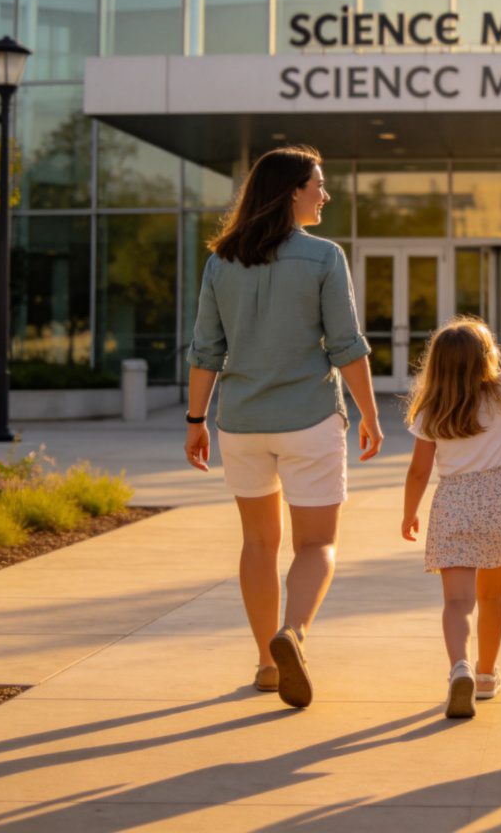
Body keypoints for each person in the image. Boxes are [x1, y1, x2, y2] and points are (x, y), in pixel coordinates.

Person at [184, 145, 383, 710]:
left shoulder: (221, 260)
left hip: (241, 424)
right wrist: (368, 413)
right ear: (291, 190)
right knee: (316, 543)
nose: (325, 194)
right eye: (318, 184)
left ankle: (269, 666)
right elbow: (346, 345)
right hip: (309, 420)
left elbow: (206, 350)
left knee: (257, 543)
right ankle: (292, 632)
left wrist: (196, 420)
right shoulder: (323, 257)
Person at [401, 282, 501, 719]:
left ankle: (459, 668)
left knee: (457, 602)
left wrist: (409, 512)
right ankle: (486, 674)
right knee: (492, 597)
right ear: (485, 360)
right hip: (499, 499)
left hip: (453, 502)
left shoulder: (431, 412)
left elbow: (418, 471)